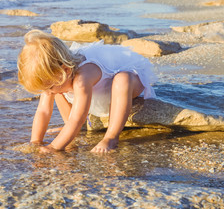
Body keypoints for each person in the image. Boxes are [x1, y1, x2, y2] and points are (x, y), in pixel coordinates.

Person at [17, 29, 157, 153]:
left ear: (66, 70)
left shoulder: (81, 79)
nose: (47, 92)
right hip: (97, 92)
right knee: (56, 91)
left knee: (122, 80)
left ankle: (111, 137)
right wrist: (35, 141)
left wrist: (54, 147)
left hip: (127, 83)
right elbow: (43, 111)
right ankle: (70, 129)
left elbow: (78, 118)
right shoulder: (57, 77)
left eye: (49, 87)